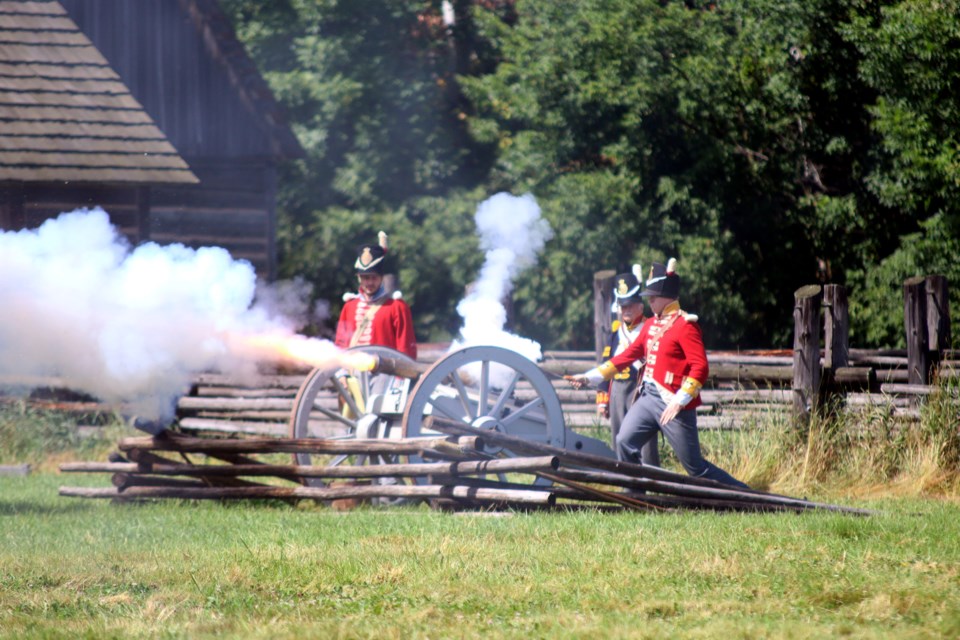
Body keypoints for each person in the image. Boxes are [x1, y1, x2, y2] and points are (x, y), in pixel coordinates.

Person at [568, 259, 747, 488]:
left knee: (695, 468)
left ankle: (744, 496)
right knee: (624, 441)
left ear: (667, 296)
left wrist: (680, 400)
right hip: (648, 397)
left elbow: (700, 367)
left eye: (653, 296)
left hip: (673, 400)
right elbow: (626, 356)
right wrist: (589, 377)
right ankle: (635, 495)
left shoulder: (685, 325)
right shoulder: (652, 324)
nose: (649, 300)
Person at [597, 266, 660, 467]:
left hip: (641, 389)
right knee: (618, 438)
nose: (626, 310)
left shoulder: (650, 328)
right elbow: (606, 364)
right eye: (623, 307)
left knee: (646, 445)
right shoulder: (616, 333)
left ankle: (652, 481)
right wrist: (603, 398)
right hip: (617, 390)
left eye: (631, 306)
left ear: (640, 306)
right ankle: (626, 483)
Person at [334, 231, 417, 359]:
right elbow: (341, 343)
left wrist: (402, 377)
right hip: (353, 373)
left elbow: (405, 345)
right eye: (365, 278)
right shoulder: (349, 306)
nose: (369, 282)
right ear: (359, 278)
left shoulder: (397, 306)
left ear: (381, 278)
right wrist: (343, 375)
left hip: (386, 376)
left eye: (374, 278)